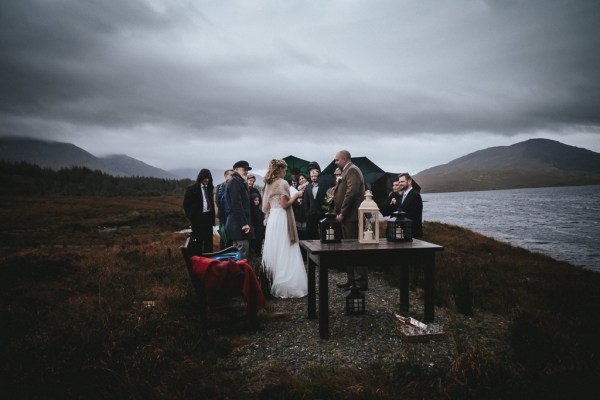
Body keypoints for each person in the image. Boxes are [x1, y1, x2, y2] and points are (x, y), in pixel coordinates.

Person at [261, 159, 308, 298]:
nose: (285, 172)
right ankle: (285, 284)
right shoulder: (283, 183)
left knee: (274, 247)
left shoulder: (268, 184)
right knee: (285, 247)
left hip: (272, 220)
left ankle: (270, 280)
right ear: (280, 169)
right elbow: (284, 205)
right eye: (284, 170)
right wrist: (296, 195)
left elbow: (264, 207)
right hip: (282, 218)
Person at [333, 150, 368, 290]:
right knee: (348, 249)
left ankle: (360, 282)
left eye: (337, 160)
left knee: (356, 249)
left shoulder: (352, 170)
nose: (335, 162)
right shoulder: (345, 171)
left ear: (343, 159)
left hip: (352, 217)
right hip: (348, 217)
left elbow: (351, 193)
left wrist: (342, 212)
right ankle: (351, 280)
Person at [225, 161, 254, 260]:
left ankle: (237, 274)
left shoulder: (239, 181)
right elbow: (236, 205)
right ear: (236, 169)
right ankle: (240, 274)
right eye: (244, 169)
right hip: (238, 225)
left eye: (247, 170)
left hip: (237, 225)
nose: (246, 171)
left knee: (238, 253)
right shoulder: (234, 182)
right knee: (242, 252)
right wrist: (244, 224)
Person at [183, 169, 215, 254]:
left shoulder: (210, 189)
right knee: (198, 242)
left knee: (209, 242)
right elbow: (186, 205)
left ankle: (209, 261)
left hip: (208, 219)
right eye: (205, 178)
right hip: (197, 221)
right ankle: (199, 262)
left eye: (208, 178)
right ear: (200, 177)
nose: (207, 180)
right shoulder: (192, 189)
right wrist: (191, 217)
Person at [303, 163, 327, 240]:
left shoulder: (323, 186)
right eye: (312, 176)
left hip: (321, 213)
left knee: (322, 233)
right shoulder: (308, 187)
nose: (314, 178)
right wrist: (307, 212)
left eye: (315, 176)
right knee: (311, 235)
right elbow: (306, 201)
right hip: (311, 214)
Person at [397, 172, 423, 239]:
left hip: (413, 234)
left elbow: (413, 215)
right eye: (399, 182)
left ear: (409, 181)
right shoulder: (401, 196)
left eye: (402, 182)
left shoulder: (416, 196)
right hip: (402, 234)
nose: (400, 184)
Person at [215, 169, 233, 248]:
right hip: (222, 216)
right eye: (231, 175)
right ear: (226, 176)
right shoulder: (219, 187)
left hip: (231, 216)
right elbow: (217, 201)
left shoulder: (233, 186)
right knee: (223, 237)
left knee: (231, 237)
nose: (232, 176)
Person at [249, 193, 265, 257]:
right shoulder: (250, 210)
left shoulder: (259, 210)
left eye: (258, 200)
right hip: (254, 233)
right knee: (254, 248)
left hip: (260, 232)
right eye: (255, 200)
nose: (257, 202)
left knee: (259, 247)